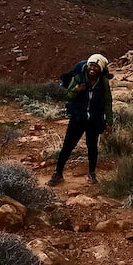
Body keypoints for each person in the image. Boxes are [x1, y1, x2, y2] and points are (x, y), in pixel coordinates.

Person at [48, 53, 113, 185]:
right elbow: (67, 96)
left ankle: (92, 173)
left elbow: (108, 102)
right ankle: (58, 173)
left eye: (96, 66)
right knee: (68, 146)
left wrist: (109, 123)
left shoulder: (103, 82)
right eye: (91, 65)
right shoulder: (78, 78)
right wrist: (76, 90)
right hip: (78, 118)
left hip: (94, 119)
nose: (93, 69)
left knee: (92, 147)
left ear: (100, 69)